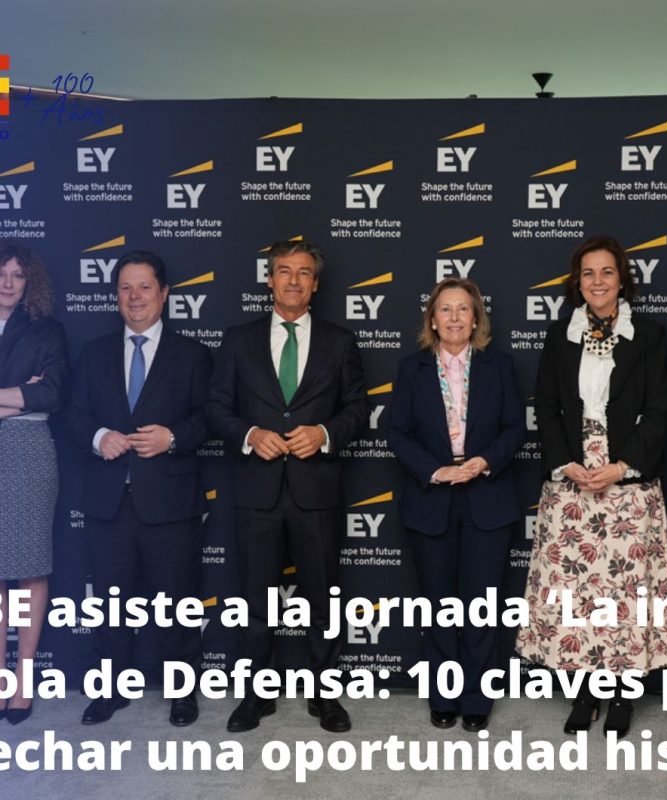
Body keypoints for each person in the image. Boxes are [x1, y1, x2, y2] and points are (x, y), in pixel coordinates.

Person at [517, 235, 667, 738]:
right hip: (571, 481)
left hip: (627, 480)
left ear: (622, 280)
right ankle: (587, 691)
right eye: (588, 273)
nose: (598, 282)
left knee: (627, 592)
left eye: (607, 272)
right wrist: (566, 463)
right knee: (578, 592)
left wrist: (622, 465)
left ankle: (625, 694)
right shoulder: (559, 335)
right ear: (577, 282)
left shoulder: (649, 335)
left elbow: (661, 410)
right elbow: (546, 406)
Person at [206, 239, 369, 734]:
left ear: (315, 284)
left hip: (315, 489)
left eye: (303, 273)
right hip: (256, 490)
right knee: (256, 599)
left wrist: (323, 434)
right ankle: (257, 694)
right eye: (283, 271)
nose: (293, 280)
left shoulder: (340, 341)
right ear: (269, 280)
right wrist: (251, 435)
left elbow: (358, 409)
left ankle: (325, 694)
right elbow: (216, 407)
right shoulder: (238, 339)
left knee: (323, 599)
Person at [66, 250, 211, 727]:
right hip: (108, 503)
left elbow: (209, 418)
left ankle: (182, 692)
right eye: (125, 288)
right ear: (116, 296)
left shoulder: (192, 354)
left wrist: (173, 438)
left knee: (177, 604)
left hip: (170, 502)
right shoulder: (94, 352)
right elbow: (74, 414)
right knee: (110, 605)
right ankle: (110, 689)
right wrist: (98, 437)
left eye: (144, 287)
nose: (134, 297)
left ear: (163, 294)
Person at [387, 277, 524, 732]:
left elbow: (514, 428)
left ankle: (477, 699)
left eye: (463, 309)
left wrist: (485, 461)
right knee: (439, 607)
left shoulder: (499, 366)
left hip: (487, 495)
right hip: (432, 497)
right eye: (445, 309)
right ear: (432, 318)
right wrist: (436, 470)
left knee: (482, 607)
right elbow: (397, 432)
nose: (454, 317)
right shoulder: (412, 369)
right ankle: (444, 696)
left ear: (476, 317)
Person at [0, 241, 69, 725]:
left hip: (27, 449)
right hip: (20, 425)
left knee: (28, 568)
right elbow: (33, 392)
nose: (8, 283)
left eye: (18, 275)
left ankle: (23, 679)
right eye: (1, 273)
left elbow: (53, 394)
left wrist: (25, 397)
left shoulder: (47, 329)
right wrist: (22, 392)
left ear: (31, 283)